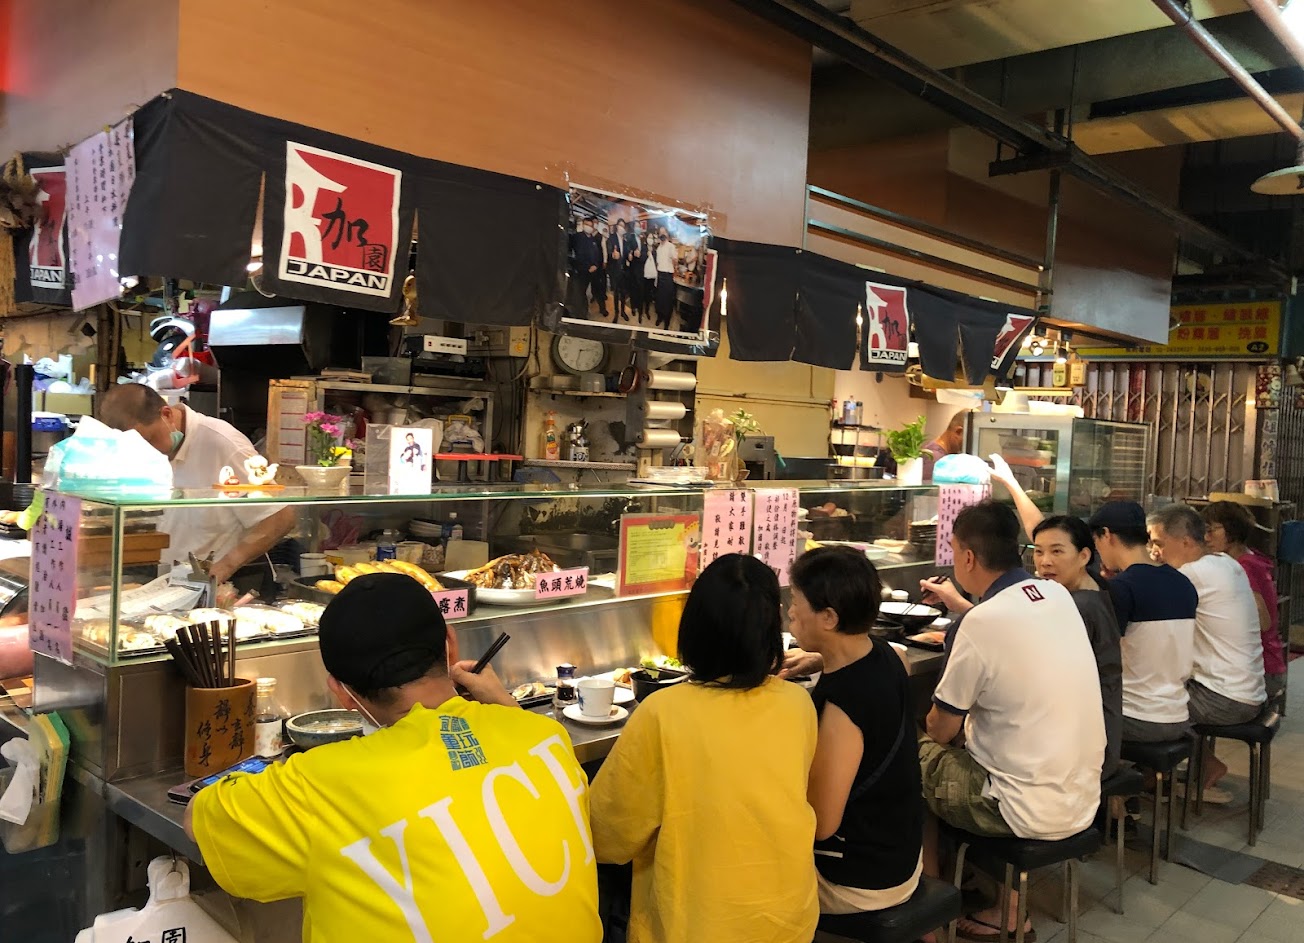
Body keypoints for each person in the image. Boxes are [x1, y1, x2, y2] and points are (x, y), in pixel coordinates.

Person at [185, 573, 601, 942]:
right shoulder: (545, 736)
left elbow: (197, 821)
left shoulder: (320, 784)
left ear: (342, 693)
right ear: (450, 646)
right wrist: (500, 702)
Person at [589, 554, 818, 943]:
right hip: (789, 921)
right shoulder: (797, 703)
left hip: (694, 927)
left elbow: (607, 836)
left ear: (694, 626)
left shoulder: (663, 712)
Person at [920, 502, 1104, 941]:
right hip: (1083, 794)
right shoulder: (1056, 595)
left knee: (913, 754)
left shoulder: (981, 622)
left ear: (967, 557)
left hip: (1020, 808)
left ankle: (927, 908)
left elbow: (941, 729)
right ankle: (966, 882)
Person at [787, 546, 923, 916]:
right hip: (901, 856)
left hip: (859, 881)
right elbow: (881, 660)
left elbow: (821, 825)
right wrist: (820, 657)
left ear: (829, 617)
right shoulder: (889, 655)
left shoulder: (842, 709)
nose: (790, 611)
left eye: (796, 601)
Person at [98, 383, 294, 584]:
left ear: (166, 414)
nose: (143, 452)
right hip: (173, 579)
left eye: (149, 440)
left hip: (227, 582)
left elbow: (279, 517)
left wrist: (226, 565)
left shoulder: (223, 444)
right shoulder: (145, 453)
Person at [1147, 504, 1266, 797]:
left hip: (1225, 699)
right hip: (1249, 690)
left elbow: (1149, 607)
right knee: (1165, 688)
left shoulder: (1193, 574)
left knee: (1146, 703)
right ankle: (1194, 764)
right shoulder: (1226, 563)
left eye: (1159, 543)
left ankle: (1148, 776)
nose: (1155, 552)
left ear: (1186, 542)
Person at [1088, 501, 1197, 745]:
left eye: (1096, 542)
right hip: (1178, 715)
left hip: (1137, 717)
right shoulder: (1183, 583)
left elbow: (1098, 654)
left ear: (1106, 535)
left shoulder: (1123, 588)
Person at [1203, 501, 1286, 704]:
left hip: (1262, 671)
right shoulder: (1249, 558)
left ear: (1233, 529)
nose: (1206, 537)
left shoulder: (1244, 567)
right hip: (1267, 666)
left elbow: (1263, 621)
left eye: (1212, 530)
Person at [606, 219, 636, 322]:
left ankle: (623, 311)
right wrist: (613, 255)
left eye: (623, 226)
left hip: (624, 272)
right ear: (617, 226)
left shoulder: (625, 242)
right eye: (620, 225)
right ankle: (616, 313)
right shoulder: (611, 238)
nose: (622, 228)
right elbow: (609, 251)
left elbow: (627, 256)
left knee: (623, 293)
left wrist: (630, 257)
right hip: (615, 271)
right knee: (616, 293)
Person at [653, 225, 677, 329]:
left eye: (664, 232)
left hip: (668, 276)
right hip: (660, 275)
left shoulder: (671, 246)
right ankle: (660, 317)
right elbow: (657, 263)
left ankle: (667, 321)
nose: (662, 234)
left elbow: (675, 261)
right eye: (660, 232)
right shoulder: (658, 248)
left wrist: (674, 262)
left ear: (667, 234)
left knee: (667, 300)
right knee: (659, 299)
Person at [640, 231, 658, 322]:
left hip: (651, 276)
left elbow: (655, 262)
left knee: (648, 294)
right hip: (644, 275)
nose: (650, 239)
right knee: (642, 293)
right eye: (649, 237)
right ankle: (640, 312)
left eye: (652, 238)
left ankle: (647, 310)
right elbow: (641, 259)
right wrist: (646, 255)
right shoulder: (643, 248)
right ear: (646, 239)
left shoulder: (654, 251)